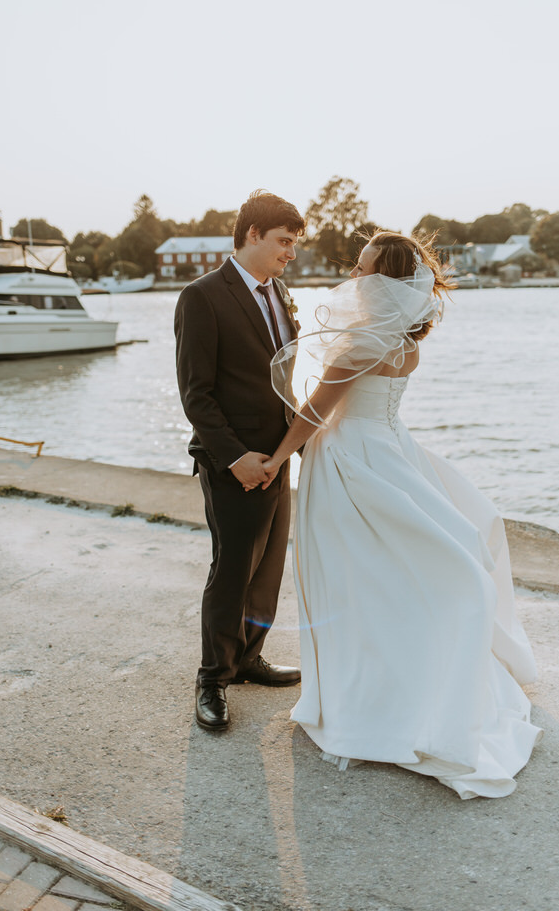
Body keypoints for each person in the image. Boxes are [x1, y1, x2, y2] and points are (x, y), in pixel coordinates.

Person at [261, 230, 543, 799]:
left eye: (366, 270)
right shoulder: (405, 342)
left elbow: (314, 414)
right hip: (390, 451)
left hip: (350, 462)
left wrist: (275, 461)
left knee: (351, 576)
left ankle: (370, 696)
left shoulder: (362, 342)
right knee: (395, 570)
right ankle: (411, 676)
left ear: (387, 282)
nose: (355, 277)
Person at [174, 190, 306, 732]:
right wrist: (235, 459)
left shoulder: (279, 291)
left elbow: (284, 377)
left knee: (269, 565)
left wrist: (289, 446)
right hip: (235, 465)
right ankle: (212, 678)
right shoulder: (202, 297)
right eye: (284, 241)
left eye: (294, 244)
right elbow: (195, 394)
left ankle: (248, 658)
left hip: (278, 458)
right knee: (231, 570)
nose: (290, 253)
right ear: (253, 234)